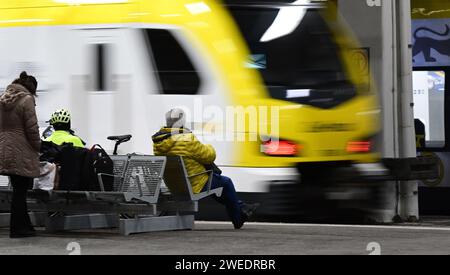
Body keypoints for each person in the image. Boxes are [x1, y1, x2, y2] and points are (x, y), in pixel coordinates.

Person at [152, 108, 258, 229]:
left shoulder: (158, 142)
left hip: (174, 184)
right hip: (193, 183)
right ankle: (238, 217)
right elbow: (208, 156)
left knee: (216, 182)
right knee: (226, 182)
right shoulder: (187, 139)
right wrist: (209, 146)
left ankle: (241, 207)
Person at [0, 71, 40, 238]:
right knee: (20, 192)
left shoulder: (3, 99)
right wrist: (38, 146)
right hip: (21, 150)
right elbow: (32, 129)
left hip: (4, 149)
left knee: (18, 190)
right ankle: (17, 229)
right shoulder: (27, 99)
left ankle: (26, 227)